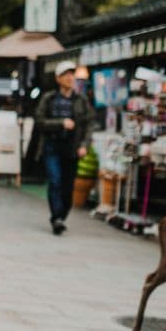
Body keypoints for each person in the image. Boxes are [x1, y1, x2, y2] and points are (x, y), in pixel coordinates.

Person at [34, 60, 95, 235]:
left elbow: (89, 124)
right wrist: (60, 123)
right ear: (58, 78)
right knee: (55, 181)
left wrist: (84, 145)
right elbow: (39, 121)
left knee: (68, 186)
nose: (69, 78)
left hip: (72, 147)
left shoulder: (81, 100)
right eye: (65, 75)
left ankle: (62, 214)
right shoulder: (49, 99)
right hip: (52, 145)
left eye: (71, 74)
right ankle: (56, 218)